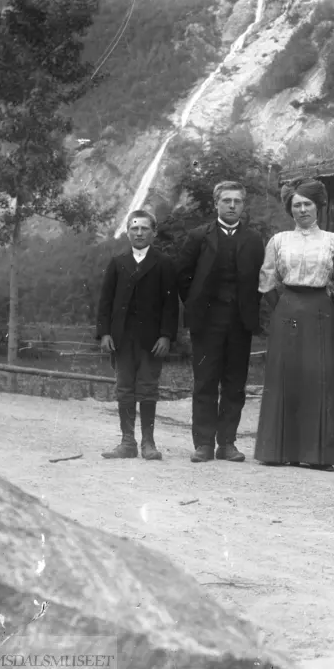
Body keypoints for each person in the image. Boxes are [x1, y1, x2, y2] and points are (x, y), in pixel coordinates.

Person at [254, 180, 334, 470]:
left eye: (307, 203)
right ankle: (278, 450)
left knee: (318, 378)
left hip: (320, 309)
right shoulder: (279, 240)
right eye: (296, 204)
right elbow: (268, 279)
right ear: (290, 209)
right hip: (286, 308)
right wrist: (286, 306)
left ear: (318, 206)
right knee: (286, 376)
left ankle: (319, 455)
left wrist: (318, 307)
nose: (302, 209)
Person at [176, 181, 266, 464]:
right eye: (226, 200)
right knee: (205, 381)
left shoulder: (253, 239)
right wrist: (196, 307)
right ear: (216, 204)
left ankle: (226, 443)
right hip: (207, 322)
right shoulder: (198, 236)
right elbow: (183, 276)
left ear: (243, 205)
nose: (231, 205)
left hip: (239, 322)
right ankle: (203, 443)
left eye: (237, 201)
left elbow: (258, 281)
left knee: (234, 384)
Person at [96, 210, 178, 460]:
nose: (139, 233)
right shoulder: (118, 262)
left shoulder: (163, 263)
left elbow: (171, 305)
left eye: (144, 229)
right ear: (128, 232)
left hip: (151, 340)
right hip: (121, 339)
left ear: (153, 233)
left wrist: (166, 336)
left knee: (148, 388)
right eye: (134, 229)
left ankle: (148, 443)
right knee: (124, 389)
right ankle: (127, 442)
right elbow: (105, 302)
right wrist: (104, 334)